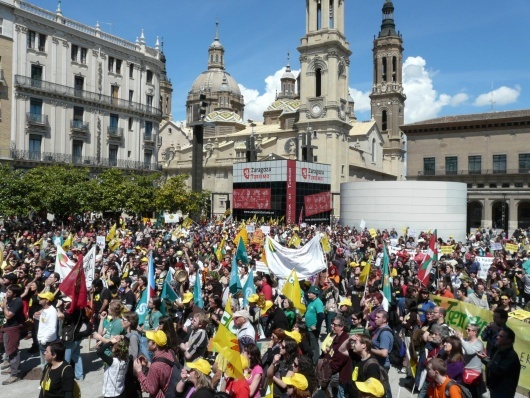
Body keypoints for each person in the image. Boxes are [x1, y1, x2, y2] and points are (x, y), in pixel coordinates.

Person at [479, 326, 521, 398]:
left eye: (501, 336)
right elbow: (493, 364)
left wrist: (485, 359)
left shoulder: (511, 355)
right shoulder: (499, 350)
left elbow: (498, 369)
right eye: (498, 335)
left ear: (508, 340)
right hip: (495, 388)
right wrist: (485, 358)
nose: (497, 337)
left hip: (503, 392)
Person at [133, 330, 175, 398]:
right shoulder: (170, 352)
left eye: (149, 340)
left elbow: (151, 389)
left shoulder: (155, 366)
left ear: (155, 344)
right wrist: (148, 364)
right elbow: (161, 372)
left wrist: (139, 371)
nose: (147, 341)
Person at [0, 284, 25, 385]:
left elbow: (9, 315)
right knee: (7, 348)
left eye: (9, 292)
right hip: (7, 327)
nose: (7, 293)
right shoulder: (10, 299)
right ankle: (12, 368)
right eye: (7, 291)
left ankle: (15, 374)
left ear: (14, 294)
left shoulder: (17, 301)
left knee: (13, 350)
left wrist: (5, 304)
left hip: (13, 329)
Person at [323, 314, 351, 398]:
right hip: (332, 371)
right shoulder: (337, 337)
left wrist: (327, 369)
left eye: (334, 324)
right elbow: (332, 352)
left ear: (341, 327)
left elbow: (339, 360)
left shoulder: (345, 340)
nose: (332, 325)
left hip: (338, 375)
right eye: (332, 323)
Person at [37, 291, 58, 369]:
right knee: (43, 363)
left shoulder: (52, 312)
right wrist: (35, 316)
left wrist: (44, 340)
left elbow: (52, 329)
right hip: (42, 341)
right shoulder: (44, 309)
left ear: (47, 300)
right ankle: (44, 378)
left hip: (47, 342)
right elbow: (43, 322)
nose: (39, 299)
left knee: (48, 364)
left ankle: (47, 378)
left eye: (42, 298)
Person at [305, 285, 324, 364]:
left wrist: (316, 326)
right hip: (308, 328)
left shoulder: (318, 303)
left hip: (313, 329)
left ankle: (315, 363)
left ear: (315, 294)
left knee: (314, 347)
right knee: (310, 346)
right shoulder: (311, 302)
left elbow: (321, 316)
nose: (308, 294)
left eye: (310, 293)